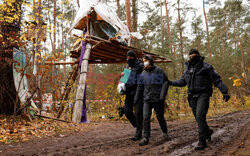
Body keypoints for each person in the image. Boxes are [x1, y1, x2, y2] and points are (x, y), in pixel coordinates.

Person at [169, 49, 230, 150]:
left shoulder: (207, 67)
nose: (192, 58)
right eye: (190, 56)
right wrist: (170, 82)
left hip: (204, 94)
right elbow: (182, 82)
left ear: (198, 55)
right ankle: (207, 132)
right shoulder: (187, 69)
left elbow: (217, 79)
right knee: (198, 119)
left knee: (200, 116)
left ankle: (202, 141)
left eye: (194, 56)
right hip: (192, 96)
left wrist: (224, 91)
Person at [134, 54, 170, 146]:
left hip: (158, 99)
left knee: (160, 117)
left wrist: (162, 95)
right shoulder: (143, 73)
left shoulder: (159, 71)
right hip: (147, 99)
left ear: (150, 61)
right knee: (145, 118)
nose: (144, 62)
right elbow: (140, 86)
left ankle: (165, 133)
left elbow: (166, 82)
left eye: (146, 60)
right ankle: (146, 137)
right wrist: (136, 98)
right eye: (143, 61)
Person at [119, 50, 144, 141]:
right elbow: (124, 79)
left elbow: (141, 77)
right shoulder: (127, 66)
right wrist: (122, 77)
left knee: (138, 113)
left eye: (130, 57)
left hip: (138, 92)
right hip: (128, 92)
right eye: (127, 57)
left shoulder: (140, 66)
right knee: (127, 111)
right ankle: (138, 126)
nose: (128, 59)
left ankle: (138, 133)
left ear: (134, 57)